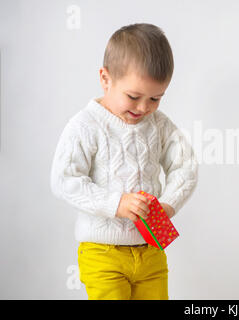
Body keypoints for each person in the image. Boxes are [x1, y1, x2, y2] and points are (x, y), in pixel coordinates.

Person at [50, 23, 199, 300]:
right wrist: (115, 203)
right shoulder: (86, 125)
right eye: (133, 96)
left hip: (151, 248)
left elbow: (186, 165)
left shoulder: (159, 125)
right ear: (105, 79)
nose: (144, 107)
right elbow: (64, 180)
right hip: (102, 252)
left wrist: (169, 204)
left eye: (156, 98)